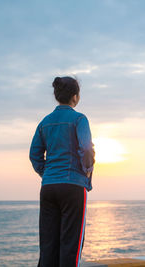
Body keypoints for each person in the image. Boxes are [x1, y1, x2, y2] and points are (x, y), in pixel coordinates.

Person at [29, 76, 95, 267]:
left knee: (48, 245)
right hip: (73, 186)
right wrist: (87, 171)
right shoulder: (79, 119)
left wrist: (46, 173)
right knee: (70, 245)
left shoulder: (45, 122)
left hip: (48, 187)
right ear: (75, 97)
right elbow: (86, 148)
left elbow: (34, 154)